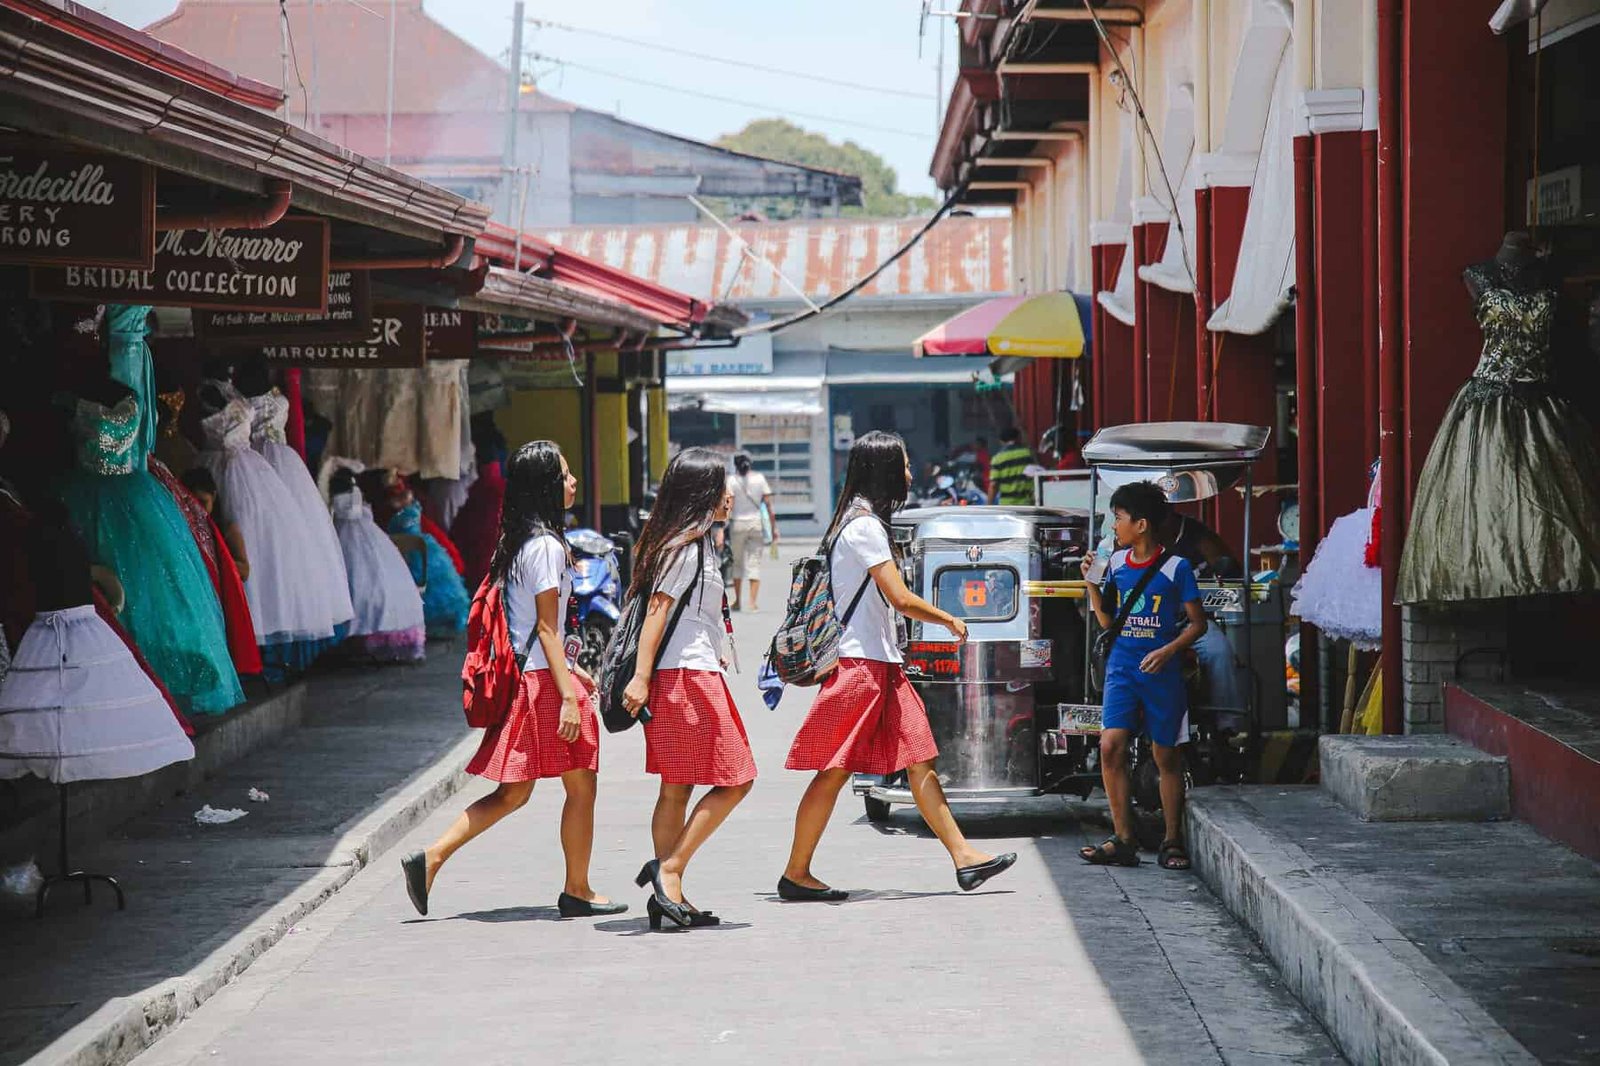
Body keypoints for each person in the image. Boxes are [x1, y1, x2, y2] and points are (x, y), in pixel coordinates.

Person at [780, 431, 1017, 900]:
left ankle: (965, 858)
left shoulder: (861, 522)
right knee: (834, 771)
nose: (911, 472)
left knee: (921, 760)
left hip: (882, 665)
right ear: (885, 469)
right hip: (860, 667)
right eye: (904, 464)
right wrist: (949, 617)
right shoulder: (863, 526)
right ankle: (795, 873)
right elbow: (900, 598)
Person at [400, 442, 623, 919]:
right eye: (565, 475)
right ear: (545, 485)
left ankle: (432, 859)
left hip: (538, 679)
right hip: (544, 687)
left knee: (516, 792)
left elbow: (543, 629)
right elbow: (544, 628)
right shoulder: (544, 547)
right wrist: (568, 694)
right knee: (577, 786)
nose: (573, 483)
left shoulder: (524, 544)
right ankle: (577, 889)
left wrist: (576, 671)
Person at [621, 448, 758, 929]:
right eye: (722, 486)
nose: (730, 495)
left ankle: (669, 894)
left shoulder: (690, 543)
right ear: (704, 492)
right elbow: (657, 613)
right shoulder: (686, 546)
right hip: (687, 677)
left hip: (685, 674)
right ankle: (670, 870)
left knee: (676, 788)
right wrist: (639, 676)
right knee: (737, 777)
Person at [1080, 481, 1207, 872]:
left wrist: (1168, 650)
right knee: (1110, 746)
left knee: (1166, 755)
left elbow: (1197, 625)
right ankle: (1123, 838)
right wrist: (1090, 585)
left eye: (1119, 518)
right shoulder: (1115, 565)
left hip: (1162, 672)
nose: (1113, 526)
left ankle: (1171, 840)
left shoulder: (1176, 567)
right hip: (1122, 668)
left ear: (1141, 524)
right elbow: (1107, 621)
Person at [726, 452, 777, 611]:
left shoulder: (731, 480)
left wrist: (723, 526)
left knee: (737, 563)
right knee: (754, 562)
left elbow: (729, 505)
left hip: (738, 525)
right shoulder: (760, 478)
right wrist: (774, 528)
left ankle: (737, 601)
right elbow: (769, 507)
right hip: (756, 524)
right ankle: (752, 602)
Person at [988, 428, 1036, 506]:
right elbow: (1034, 478)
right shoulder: (1027, 454)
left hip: (1006, 505)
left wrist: (988, 504)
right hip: (1026, 503)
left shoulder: (998, 458)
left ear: (1001, 441)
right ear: (1018, 438)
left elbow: (994, 485)